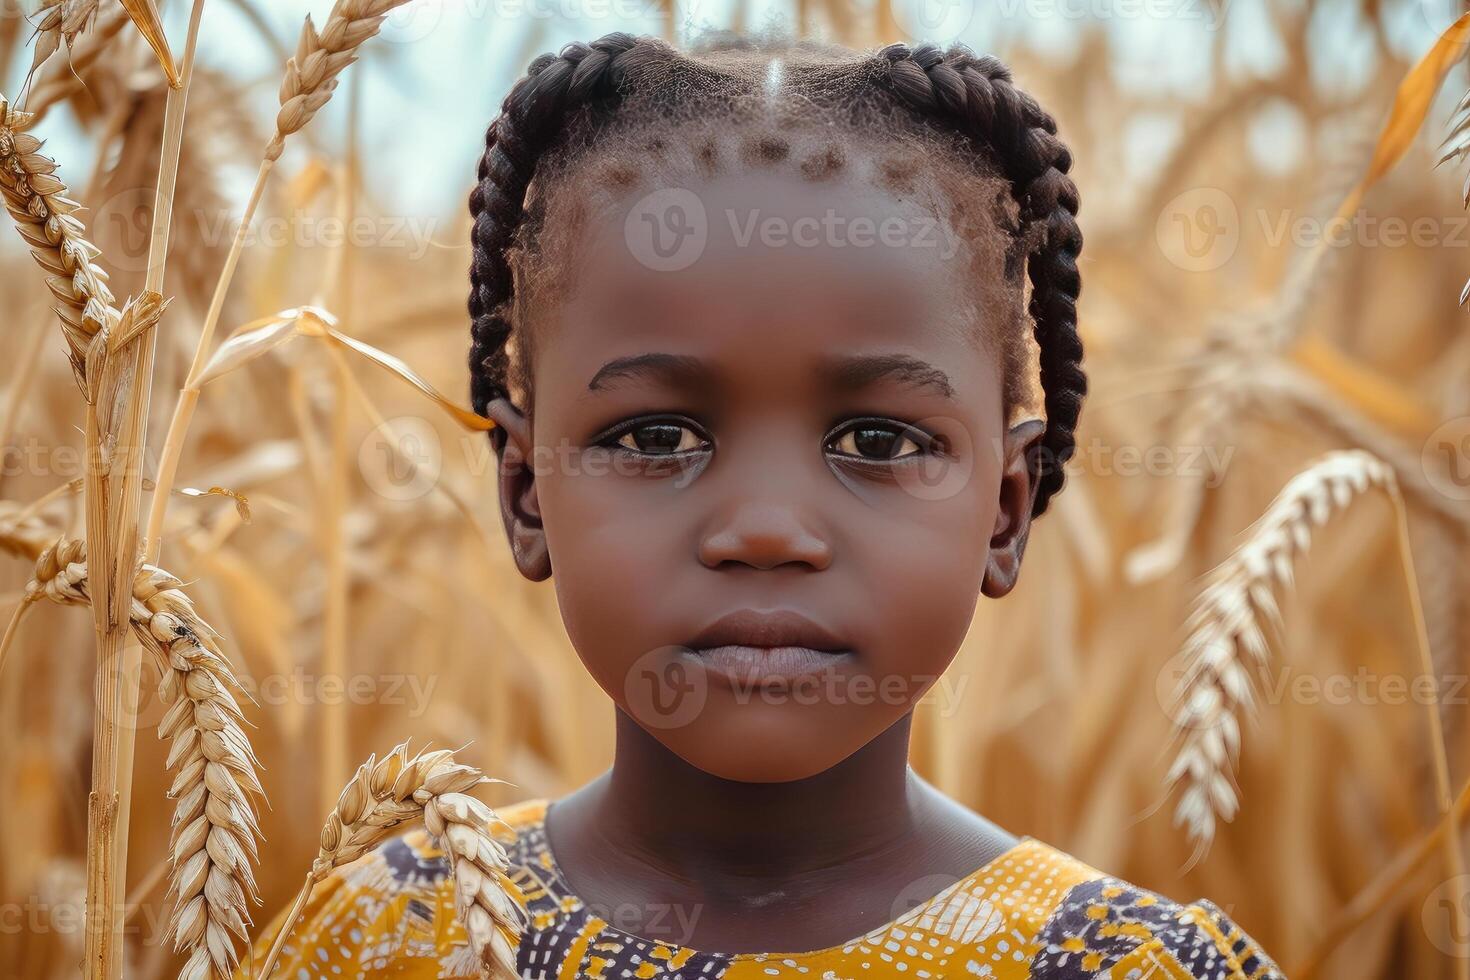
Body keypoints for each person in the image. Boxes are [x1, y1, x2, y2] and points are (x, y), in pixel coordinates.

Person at [243, 30, 1286, 979]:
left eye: (878, 441)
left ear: (1006, 510)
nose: (766, 528)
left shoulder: (1128, 964)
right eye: (655, 437)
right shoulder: (377, 938)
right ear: (525, 491)